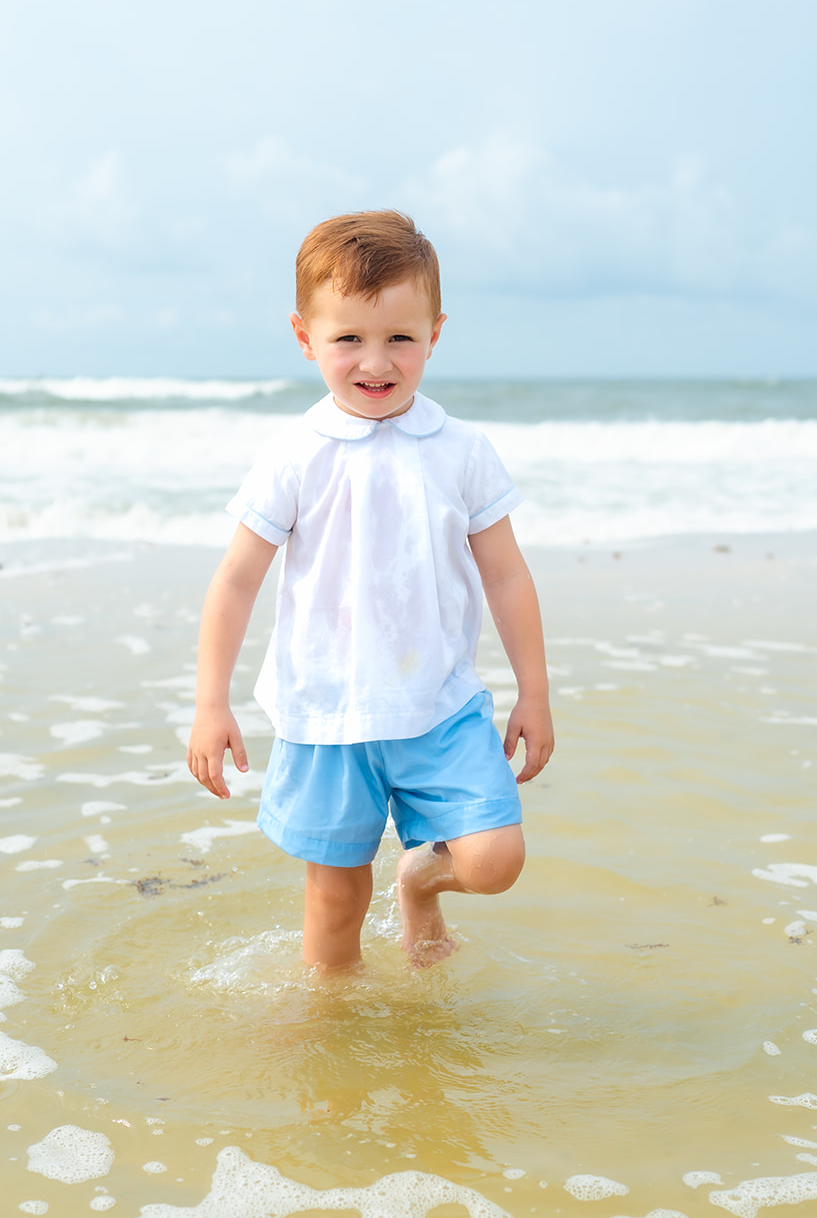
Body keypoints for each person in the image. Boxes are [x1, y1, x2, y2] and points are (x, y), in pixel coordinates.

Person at [187, 210, 554, 970]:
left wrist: (534, 692)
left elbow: (507, 575)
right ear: (304, 337)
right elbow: (235, 581)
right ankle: (336, 1038)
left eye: (399, 338)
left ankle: (420, 882)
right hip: (326, 714)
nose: (375, 361)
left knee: (493, 859)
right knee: (335, 899)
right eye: (348, 338)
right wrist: (210, 703)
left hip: (439, 707)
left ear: (435, 332)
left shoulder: (461, 450)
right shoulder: (294, 455)